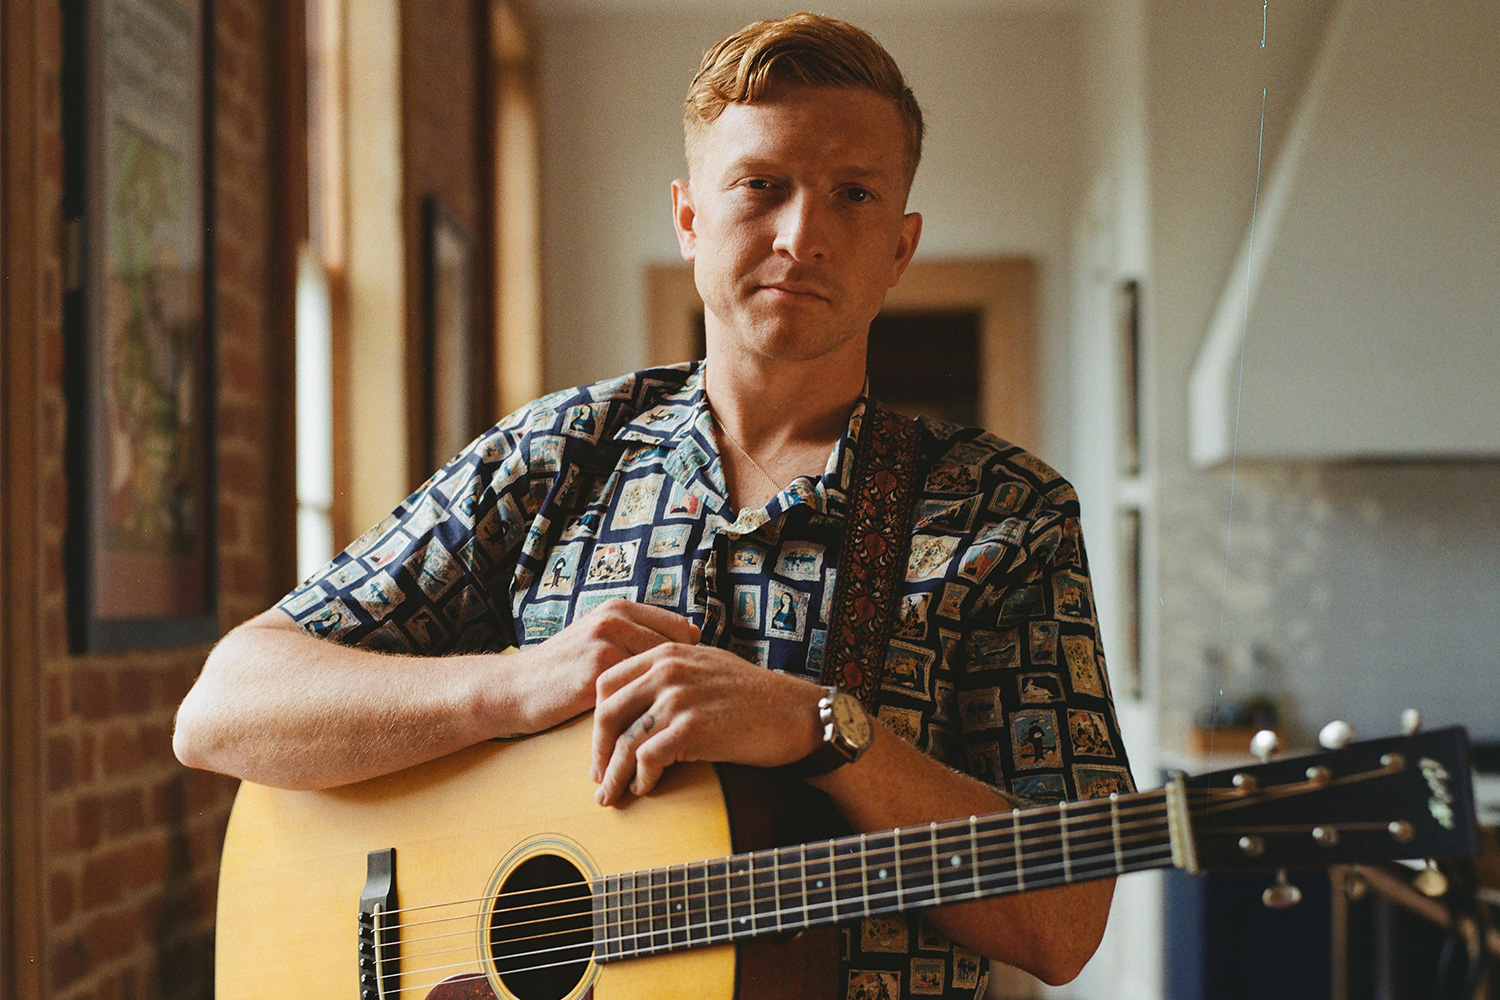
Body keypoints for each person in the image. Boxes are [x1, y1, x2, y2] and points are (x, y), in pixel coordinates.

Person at [174, 13, 1133, 998]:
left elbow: (1063, 924)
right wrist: (513, 688)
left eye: (853, 195)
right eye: (762, 185)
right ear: (688, 219)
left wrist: (821, 729)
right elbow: (224, 709)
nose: (802, 234)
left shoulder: (1009, 517)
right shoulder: (552, 457)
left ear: (899, 246)